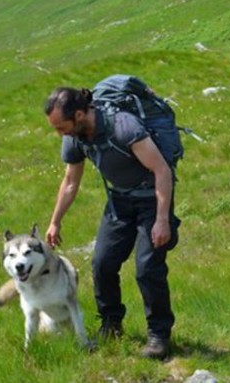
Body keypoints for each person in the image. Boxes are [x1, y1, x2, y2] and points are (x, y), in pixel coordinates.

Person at [43, 85, 180, 360]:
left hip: (151, 199)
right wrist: (55, 222)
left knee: (147, 269)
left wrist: (162, 220)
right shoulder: (75, 137)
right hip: (119, 202)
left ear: (80, 114)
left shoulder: (123, 127)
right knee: (102, 264)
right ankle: (111, 325)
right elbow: (70, 182)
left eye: (62, 127)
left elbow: (161, 170)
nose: (60, 134)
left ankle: (159, 336)